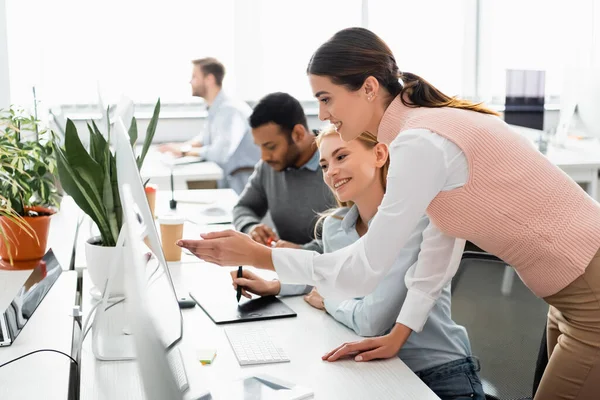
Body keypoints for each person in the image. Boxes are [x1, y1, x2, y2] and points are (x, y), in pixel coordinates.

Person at [177, 28, 600, 400]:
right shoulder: (419, 130)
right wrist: (400, 333)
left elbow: (365, 270)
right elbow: (441, 242)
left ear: (367, 87)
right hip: (566, 296)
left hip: (591, 295)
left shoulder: (418, 141)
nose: (323, 114)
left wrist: (257, 256)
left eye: (326, 98)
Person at [230, 126, 484, 399]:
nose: (331, 172)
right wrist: (276, 286)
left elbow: (371, 321)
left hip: (439, 375)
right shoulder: (335, 227)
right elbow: (331, 276)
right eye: (325, 165)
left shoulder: (413, 221)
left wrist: (328, 301)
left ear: (379, 155)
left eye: (342, 157)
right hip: (378, 372)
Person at [233, 92, 336, 251]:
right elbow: (243, 207)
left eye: (271, 146)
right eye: (260, 146)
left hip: (330, 268)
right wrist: (250, 227)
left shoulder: (337, 164)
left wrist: (301, 253)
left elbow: (353, 236)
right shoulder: (268, 166)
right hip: (286, 267)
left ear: (298, 134)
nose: (264, 156)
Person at [158, 57, 259, 194]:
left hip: (240, 183)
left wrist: (183, 151)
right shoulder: (216, 108)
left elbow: (220, 153)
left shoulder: (230, 110)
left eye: (194, 76)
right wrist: (177, 146)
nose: (190, 81)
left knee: (188, 189)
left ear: (209, 79)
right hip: (226, 177)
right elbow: (203, 140)